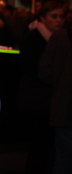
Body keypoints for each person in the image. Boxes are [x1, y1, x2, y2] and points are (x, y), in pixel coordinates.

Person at [17, 0, 67, 174]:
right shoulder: (34, 37)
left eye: (61, 16)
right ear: (43, 17)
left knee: (49, 150)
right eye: (54, 16)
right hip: (37, 103)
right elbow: (33, 69)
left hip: (51, 104)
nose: (59, 20)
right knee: (39, 149)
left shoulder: (60, 39)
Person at [40, 27, 72, 174]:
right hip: (64, 110)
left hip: (64, 109)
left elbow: (46, 72)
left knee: (63, 161)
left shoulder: (60, 36)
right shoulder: (61, 36)